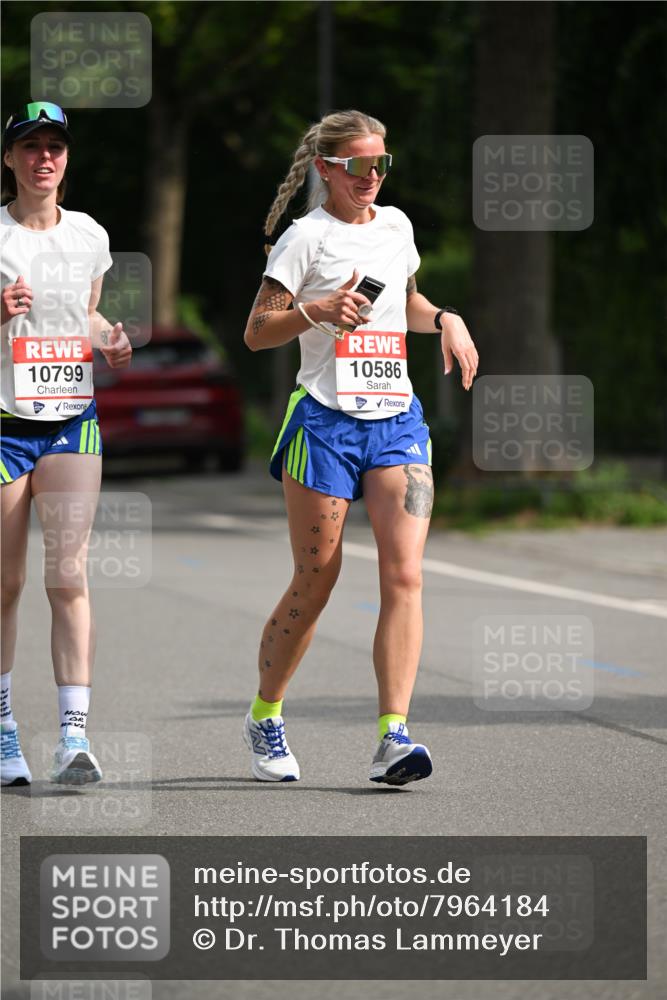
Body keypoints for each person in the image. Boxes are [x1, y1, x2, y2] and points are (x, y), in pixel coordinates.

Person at [241, 110, 478, 785]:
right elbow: (258, 332)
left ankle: (393, 737)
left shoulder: (397, 227)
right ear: (325, 169)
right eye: (356, 166)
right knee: (316, 581)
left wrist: (445, 319)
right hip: (323, 424)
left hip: (396, 420)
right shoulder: (303, 239)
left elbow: (402, 303)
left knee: (404, 575)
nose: (370, 177)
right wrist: (316, 311)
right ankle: (265, 714)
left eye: (381, 165)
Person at [0, 102, 132, 786]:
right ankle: (2, 733)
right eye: (30, 148)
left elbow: (83, 311)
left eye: (54, 147)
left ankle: (74, 739)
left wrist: (107, 335)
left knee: (68, 573)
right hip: (4, 421)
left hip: (71, 418)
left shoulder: (89, 235)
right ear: (10, 159)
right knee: (6, 580)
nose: (43, 158)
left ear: (67, 159)